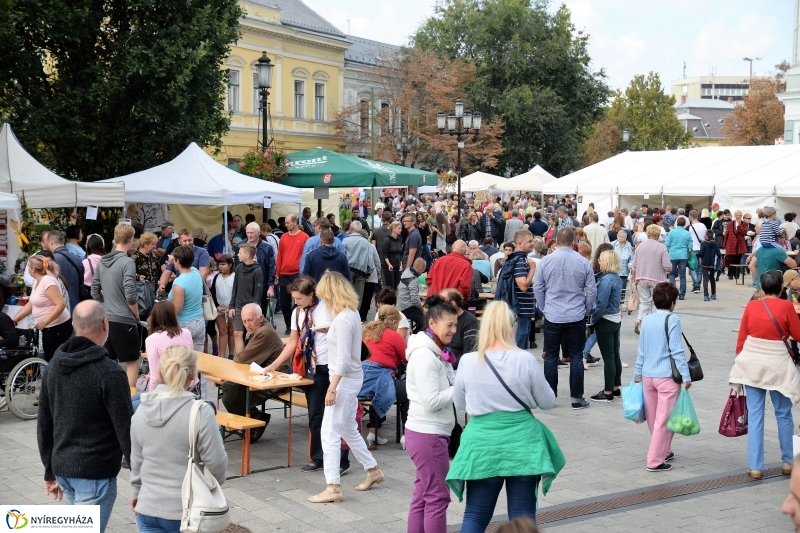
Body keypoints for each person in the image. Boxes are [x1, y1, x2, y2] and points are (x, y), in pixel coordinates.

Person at [447, 301, 563, 531]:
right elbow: (548, 402)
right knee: (523, 519)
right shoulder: (525, 360)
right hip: (522, 444)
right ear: (511, 327)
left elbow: (460, 404)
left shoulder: (469, 361)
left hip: (481, 444)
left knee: (475, 515)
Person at [37, 301, 132, 533]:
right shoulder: (110, 372)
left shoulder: (53, 367)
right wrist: (141, 478)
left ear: (73, 324)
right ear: (105, 324)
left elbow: (44, 423)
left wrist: (50, 470)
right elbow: (126, 428)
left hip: (64, 469)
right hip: (95, 472)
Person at [131, 344, 226, 533]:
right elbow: (216, 463)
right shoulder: (201, 412)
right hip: (189, 510)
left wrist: (136, 491)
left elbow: (137, 461)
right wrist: (213, 489)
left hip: (148, 507)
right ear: (193, 374)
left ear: (159, 370)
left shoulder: (140, 411)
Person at [261, 276, 351, 474]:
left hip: (332, 365)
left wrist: (330, 330)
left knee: (338, 414)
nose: (297, 303)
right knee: (315, 415)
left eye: (300, 299)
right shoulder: (297, 313)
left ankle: (342, 460)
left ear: (312, 295)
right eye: (294, 299)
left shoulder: (328, 307)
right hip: (314, 367)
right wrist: (274, 365)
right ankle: (318, 457)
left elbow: (345, 331)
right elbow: (293, 343)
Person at [308, 272, 383, 504]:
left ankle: (333, 486)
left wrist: (332, 389)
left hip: (342, 380)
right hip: (350, 378)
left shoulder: (342, 319)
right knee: (348, 428)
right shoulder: (349, 314)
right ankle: (372, 470)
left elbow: (340, 360)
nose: (323, 302)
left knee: (329, 432)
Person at [730, 270, 800, 480]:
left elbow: (741, 339)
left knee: (756, 414)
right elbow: (797, 335)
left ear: (762, 287)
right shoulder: (787, 306)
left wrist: (741, 362)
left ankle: (755, 467)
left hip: (752, 364)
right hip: (778, 365)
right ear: (781, 288)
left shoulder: (752, 306)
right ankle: (788, 462)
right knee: (783, 413)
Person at [405, 295, 457, 532]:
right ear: (433, 324)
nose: (454, 330)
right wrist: (460, 388)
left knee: (423, 495)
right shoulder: (426, 355)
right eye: (449, 325)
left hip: (427, 432)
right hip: (429, 433)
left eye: (455, 324)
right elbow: (431, 400)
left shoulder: (435, 351)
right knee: (437, 497)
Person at [533, 228, 596, 409]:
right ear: (574, 240)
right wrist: (587, 307)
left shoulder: (546, 262)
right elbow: (591, 289)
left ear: (556, 241)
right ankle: (576, 398)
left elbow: (538, 287)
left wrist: (544, 307)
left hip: (553, 314)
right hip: (575, 314)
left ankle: (550, 398)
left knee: (551, 356)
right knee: (576, 357)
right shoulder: (583, 262)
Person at [634, 282, 692, 473]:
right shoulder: (673, 320)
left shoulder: (647, 320)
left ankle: (664, 450)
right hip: (667, 377)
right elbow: (677, 350)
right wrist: (686, 375)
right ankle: (654, 460)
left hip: (648, 377)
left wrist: (637, 373)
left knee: (654, 420)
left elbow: (641, 350)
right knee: (664, 420)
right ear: (673, 303)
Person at [222, 303, 286, 438]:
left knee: (229, 398)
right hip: (261, 374)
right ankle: (255, 417)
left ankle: (254, 421)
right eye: (244, 321)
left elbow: (242, 358)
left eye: (250, 320)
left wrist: (239, 356)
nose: (247, 324)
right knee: (227, 385)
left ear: (261, 317)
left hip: (275, 379)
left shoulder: (264, 332)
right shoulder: (259, 329)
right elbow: (245, 358)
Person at [359, 305, 409, 447]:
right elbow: (407, 358)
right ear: (394, 322)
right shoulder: (393, 335)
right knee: (409, 392)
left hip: (360, 381)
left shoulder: (366, 331)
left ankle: (374, 431)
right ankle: (407, 435)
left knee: (379, 388)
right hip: (379, 377)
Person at [11, 254, 72, 362]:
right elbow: (31, 304)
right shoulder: (37, 281)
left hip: (58, 328)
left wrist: (45, 321)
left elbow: (61, 304)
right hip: (48, 328)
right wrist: (16, 319)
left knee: (55, 361)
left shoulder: (48, 281)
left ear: (33, 268)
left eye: (28, 266)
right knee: (49, 360)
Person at [589, 251, 623, 402]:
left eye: (601, 260)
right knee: (615, 355)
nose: (599, 262)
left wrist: (593, 319)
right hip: (615, 319)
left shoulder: (606, 280)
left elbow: (601, 304)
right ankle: (615, 387)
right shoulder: (616, 277)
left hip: (605, 320)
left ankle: (608, 391)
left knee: (608, 357)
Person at [496, 229, 538, 350]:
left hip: (518, 309)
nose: (533, 244)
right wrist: (532, 269)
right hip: (521, 310)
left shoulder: (514, 258)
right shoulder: (520, 260)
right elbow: (523, 286)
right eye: (530, 241)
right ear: (520, 243)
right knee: (519, 348)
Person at [144, 300, 194, 392]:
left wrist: (150, 397)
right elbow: (191, 362)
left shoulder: (152, 340)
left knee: (135, 401)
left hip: (165, 389)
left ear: (154, 318)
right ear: (173, 315)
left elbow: (156, 378)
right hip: (187, 385)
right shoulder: (187, 333)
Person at [630, 224, 671, 335]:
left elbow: (634, 265)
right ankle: (652, 325)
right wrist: (669, 269)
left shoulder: (640, 247)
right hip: (657, 280)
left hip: (641, 278)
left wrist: (634, 278)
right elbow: (667, 266)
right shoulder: (661, 247)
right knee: (655, 303)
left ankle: (640, 319)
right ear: (657, 235)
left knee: (644, 302)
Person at [166, 245, 205, 352]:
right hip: (199, 321)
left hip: (184, 323)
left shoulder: (179, 282)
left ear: (177, 261)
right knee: (198, 360)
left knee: (183, 360)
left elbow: (177, 308)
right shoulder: (196, 272)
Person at [227, 243, 263, 355]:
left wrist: (255, 310)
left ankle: (251, 356)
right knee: (237, 333)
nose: (238, 254)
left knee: (252, 334)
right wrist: (231, 306)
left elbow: (258, 293)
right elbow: (235, 287)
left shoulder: (258, 271)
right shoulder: (238, 268)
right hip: (238, 305)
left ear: (247, 255)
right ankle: (240, 358)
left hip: (251, 308)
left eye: (240, 252)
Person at [276, 214, 310, 334]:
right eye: (285, 223)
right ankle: (289, 325)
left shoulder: (305, 237)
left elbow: (306, 256)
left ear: (295, 222)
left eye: (288, 223)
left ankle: (297, 325)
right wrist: (277, 273)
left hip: (297, 274)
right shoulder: (284, 237)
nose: (286, 225)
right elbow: (279, 256)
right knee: (284, 302)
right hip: (284, 274)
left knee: (298, 301)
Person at [237, 222, 277, 313]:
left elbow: (271, 268)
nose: (249, 235)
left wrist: (271, 287)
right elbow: (237, 266)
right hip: (244, 286)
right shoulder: (240, 245)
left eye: (252, 233)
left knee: (260, 312)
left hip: (262, 286)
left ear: (259, 233)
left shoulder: (267, 247)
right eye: (248, 233)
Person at [157, 229, 210, 296]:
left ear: (193, 239)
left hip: (197, 292)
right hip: (181, 290)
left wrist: (191, 288)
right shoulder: (174, 253)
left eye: (189, 240)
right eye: (185, 241)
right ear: (179, 241)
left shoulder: (202, 252)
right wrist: (162, 286)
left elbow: (203, 274)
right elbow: (167, 272)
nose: (188, 243)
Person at [440, 288, 478, 368]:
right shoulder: (442, 319)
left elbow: (468, 355)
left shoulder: (470, 322)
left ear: (453, 303)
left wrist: (445, 367)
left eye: (442, 303)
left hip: (457, 367)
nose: (439, 306)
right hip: (441, 362)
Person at [49, 230, 85, 314]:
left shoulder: (51, 261)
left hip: (58, 307)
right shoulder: (78, 259)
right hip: (76, 304)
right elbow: (81, 281)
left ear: (51, 243)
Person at [342, 220, 374, 308]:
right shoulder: (366, 242)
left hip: (348, 270)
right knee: (358, 296)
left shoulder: (345, 241)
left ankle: (347, 313)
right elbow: (370, 259)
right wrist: (369, 272)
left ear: (351, 229)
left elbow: (342, 256)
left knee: (347, 294)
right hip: (361, 272)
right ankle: (356, 315)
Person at [209, 254, 235, 358]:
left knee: (231, 331)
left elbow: (237, 292)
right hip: (219, 309)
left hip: (232, 308)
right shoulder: (217, 276)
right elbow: (213, 293)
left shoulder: (235, 276)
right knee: (222, 331)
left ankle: (232, 354)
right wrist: (217, 306)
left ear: (230, 265)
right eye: (219, 264)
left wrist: (232, 307)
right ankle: (222, 356)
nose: (220, 266)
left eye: (223, 264)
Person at [664, 217, 693, 300]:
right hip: (683, 255)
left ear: (676, 223)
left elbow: (667, 244)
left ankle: (673, 292)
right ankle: (682, 294)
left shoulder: (672, 232)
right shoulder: (687, 233)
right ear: (684, 224)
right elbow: (690, 246)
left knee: (671, 274)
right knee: (682, 275)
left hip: (672, 255)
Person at [398, 257, 427, 334]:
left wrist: (419, 297)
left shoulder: (407, 272)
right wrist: (422, 309)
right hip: (409, 308)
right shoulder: (412, 279)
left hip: (404, 304)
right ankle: (414, 335)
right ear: (420, 268)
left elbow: (409, 292)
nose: (422, 273)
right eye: (423, 269)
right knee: (427, 323)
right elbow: (415, 301)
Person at [687, 210, 708, 293]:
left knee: (692, 267)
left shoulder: (690, 227)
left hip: (693, 248)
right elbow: (705, 236)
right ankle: (698, 285)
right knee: (699, 268)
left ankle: (696, 285)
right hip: (701, 248)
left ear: (691, 217)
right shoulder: (703, 225)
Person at [725, 210, 749, 280]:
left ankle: (737, 274)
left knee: (738, 260)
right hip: (731, 243)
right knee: (731, 259)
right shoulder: (730, 224)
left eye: (739, 215)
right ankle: (730, 274)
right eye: (737, 215)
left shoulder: (744, 224)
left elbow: (743, 232)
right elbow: (727, 234)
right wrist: (725, 244)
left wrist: (739, 225)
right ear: (734, 216)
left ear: (741, 216)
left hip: (739, 244)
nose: (738, 217)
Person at [699, 229, 721, 301]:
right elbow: (719, 254)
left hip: (704, 264)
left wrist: (697, 255)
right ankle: (713, 294)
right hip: (712, 264)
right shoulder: (716, 244)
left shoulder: (704, 244)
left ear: (706, 236)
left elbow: (701, 253)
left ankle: (706, 295)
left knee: (705, 279)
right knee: (712, 279)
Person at [382, 221, 403, 290]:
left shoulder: (400, 239)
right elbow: (384, 254)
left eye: (401, 228)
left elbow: (400, 253)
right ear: (393, 228)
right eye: (399, 228)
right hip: (389, 266)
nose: (400, 230)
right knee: (390, 288)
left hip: (397, 265)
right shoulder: (387, 240)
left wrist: (401, 264)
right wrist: (389, 264)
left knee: (396, 286)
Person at [613, 229, 633, 302]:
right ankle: (615, 301)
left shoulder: (628, 245)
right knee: (615, 287)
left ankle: (621, 302)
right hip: (614, 270)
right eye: (619, 236)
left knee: (623, 287)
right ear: (617, 237)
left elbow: (631, 258)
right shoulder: (613, 244)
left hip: (624, 271)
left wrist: (630, 264)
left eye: (623, 237)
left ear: (626, 238)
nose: (621, 238)